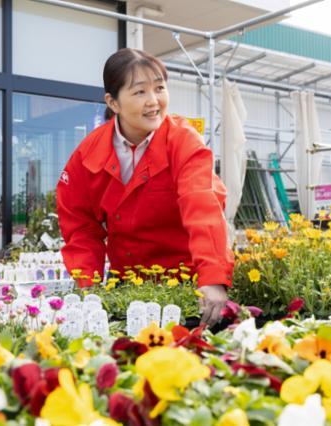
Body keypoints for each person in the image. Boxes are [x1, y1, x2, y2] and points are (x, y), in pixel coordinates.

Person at [57, 48, 234, 326]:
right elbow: (80, 227)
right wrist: (88, 285)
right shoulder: (87, 155)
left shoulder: (184, 142)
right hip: (128, 288)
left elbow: (203, 207)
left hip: (189, 288)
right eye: (139, 92)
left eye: (160, 88)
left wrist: (212, 277)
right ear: (113, 102)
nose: (154, 101)